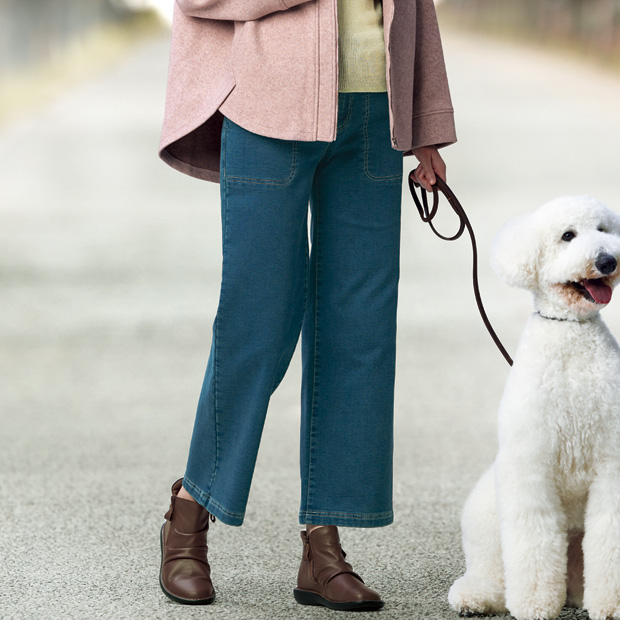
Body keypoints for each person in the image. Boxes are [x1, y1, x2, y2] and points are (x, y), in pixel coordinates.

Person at [157, 0, 456, 611]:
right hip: (268, 107)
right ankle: (190, 512)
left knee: (360, 331)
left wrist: (425, 127)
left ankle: (323, 548)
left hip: (376, 113)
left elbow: (416, 10)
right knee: (257, 321)